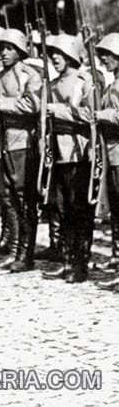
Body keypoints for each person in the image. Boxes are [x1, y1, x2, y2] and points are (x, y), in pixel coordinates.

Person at [0, 28, 42, 273]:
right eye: (0, 49)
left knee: (23, 198)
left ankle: (25, 253)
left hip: (23, 141)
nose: (3, 53)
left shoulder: (29, 75)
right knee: (8, 198)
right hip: (5, 140)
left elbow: (33, 105)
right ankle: (13, 250)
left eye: (8, 48)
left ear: (20, 51)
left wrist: (5, 104)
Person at [42, 34, 93, 283]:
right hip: (58, 152)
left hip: (77, 151)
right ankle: (65, 260)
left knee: (78, 209)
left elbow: (89, 114)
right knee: (61, 209)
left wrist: (60, 110)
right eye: (52, 54)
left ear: (71, 56)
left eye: (59, 54)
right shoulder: (52, 83)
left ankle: (80, 263)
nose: (54, 58)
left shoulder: (82, 81)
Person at [92, 33, 119, 290]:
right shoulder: (112, 83)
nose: (104, 60)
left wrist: (102, 114)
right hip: (112, 153)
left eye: (109, 55)